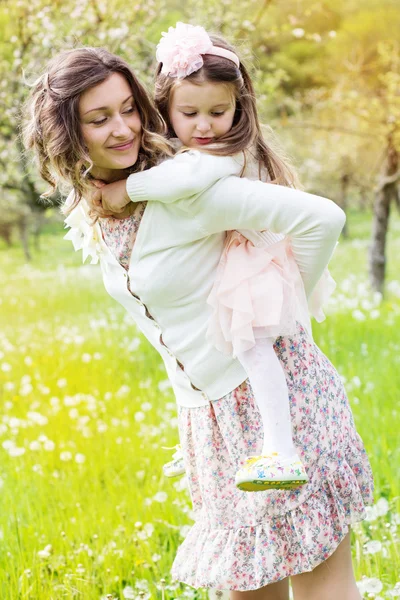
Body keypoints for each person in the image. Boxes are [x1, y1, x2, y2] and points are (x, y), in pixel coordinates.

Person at [24, 43, 373, 598]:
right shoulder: (102, 206)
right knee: (244, 590)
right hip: (209, 421)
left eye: (128, 109)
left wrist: (284, 313)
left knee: (320, 589)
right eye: (99, 118)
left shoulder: (187, 191)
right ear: (68, 133)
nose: (123, 129)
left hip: (276, 397)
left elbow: (322, 218)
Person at [90, 22, 338, 492]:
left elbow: (181, 183)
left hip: (256, 264)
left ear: (237, 109)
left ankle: (281, 451)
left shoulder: (219, 156)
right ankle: (255, 443)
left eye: (218, 111)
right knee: (249, 349)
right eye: (190, 113)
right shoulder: (204, 152)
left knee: (252, 348)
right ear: (165, 110)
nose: (204, 125)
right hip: (250, 264)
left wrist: (126, 188)